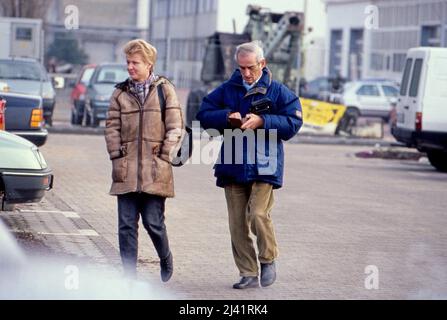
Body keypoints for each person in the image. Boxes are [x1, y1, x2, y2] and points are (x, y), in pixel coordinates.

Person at [196, 41, 303, 289]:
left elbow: (293, 123)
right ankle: (248, 273)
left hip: (265, 163)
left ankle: (268, 259)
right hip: (232, 162)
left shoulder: (278, 91)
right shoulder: (227, 89)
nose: (246, 73)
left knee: (256, 214)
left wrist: (263, 120)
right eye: (241, 67)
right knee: (236, 224)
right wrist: (225, 117)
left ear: (262, 64)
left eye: (251, 67)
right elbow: (203, 114)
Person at [105, 39, 184, 281]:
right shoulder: (120, 92)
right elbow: (111, 127)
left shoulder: (164, 89)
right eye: (128, 62)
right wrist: (117, 156)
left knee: (153, 223)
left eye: (135, 62)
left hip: (155, 169)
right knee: (126, 226)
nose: (130, 67)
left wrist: (164, 154)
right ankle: (129, 277)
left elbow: (175, 126)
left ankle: (165, 257)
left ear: (148, 64)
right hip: (126, 170)